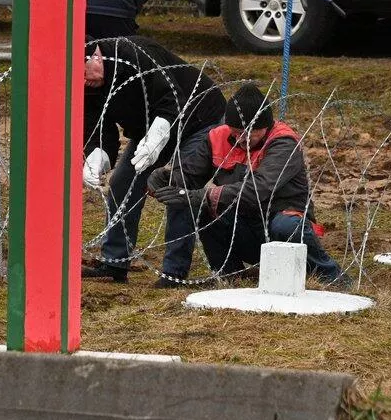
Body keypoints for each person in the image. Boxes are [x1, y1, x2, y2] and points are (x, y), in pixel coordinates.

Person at [150, 82, 350, 288]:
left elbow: (258, 189)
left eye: (250, 132)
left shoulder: (284, 143)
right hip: (242, 222)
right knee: (201, 210)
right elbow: (190, 174)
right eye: (236, 131)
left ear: (266, 125)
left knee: (285, 225)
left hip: (280, 223)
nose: (242, 138)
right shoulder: (217, 136)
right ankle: (230, 275)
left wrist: (207, 196)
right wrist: (168, 178)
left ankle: (330, 275)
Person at [82, 36, 225, 284]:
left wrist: (159, 134)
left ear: (94, 55)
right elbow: (99, 127)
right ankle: (114, 262)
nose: (85, 82)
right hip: (148, 131)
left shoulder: (136, 55)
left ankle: (174, 272)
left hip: (197, 120)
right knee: (122, 184)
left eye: (84, 74)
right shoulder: (89, 85)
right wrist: (98, 154)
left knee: (179, 188)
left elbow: (171, 100)